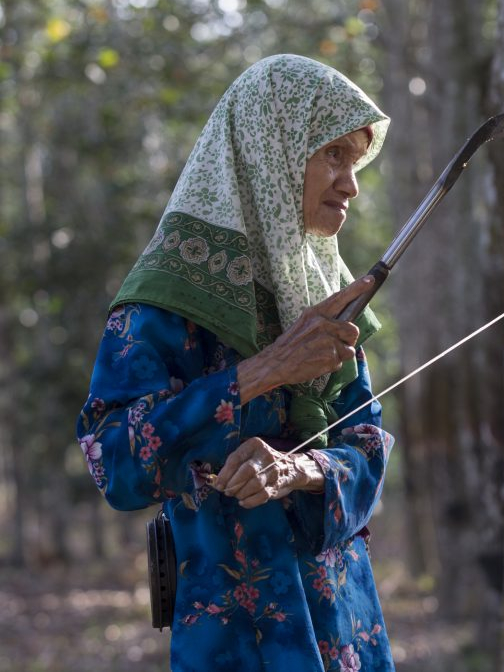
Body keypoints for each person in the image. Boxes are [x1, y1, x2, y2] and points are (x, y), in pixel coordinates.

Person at [76, 54, 396, 671]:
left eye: (355, 162)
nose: (350, 185)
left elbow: (368, 447)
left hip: (344, 627)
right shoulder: (163, 303)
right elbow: (112, 460)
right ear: (267, 153)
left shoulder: (319, 292)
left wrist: (301, 470)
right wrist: (264, 371)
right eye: (333, 154)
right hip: (233, 634)